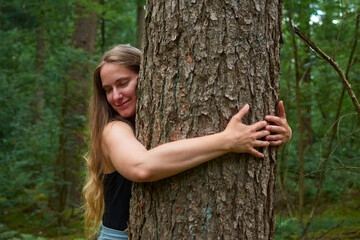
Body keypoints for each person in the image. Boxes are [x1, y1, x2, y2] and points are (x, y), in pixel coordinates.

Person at [82, 44, 292, 239]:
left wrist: (275, 135)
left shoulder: (146, 124)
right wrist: (227, 140)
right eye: (108, 89)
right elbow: (141, 167)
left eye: (122, 83)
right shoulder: (113, 129)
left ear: (146, 76)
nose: (116, 96)